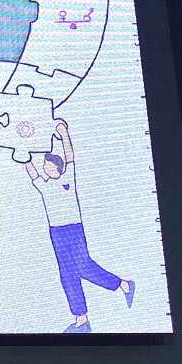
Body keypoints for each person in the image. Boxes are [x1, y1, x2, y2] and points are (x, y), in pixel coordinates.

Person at [24, 120, 134, 333]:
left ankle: (124, 285)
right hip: (56, 232)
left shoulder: (68, 177)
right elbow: (31, 171)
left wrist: (64, 133)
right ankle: (81, 320)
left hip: (73, 229)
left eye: (48, 166)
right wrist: (21, 154)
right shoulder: (44, 186)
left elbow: (70, 156)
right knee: (67, 274)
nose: (45, 169)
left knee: (83, 266)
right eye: (44, 166)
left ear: (57, 168)